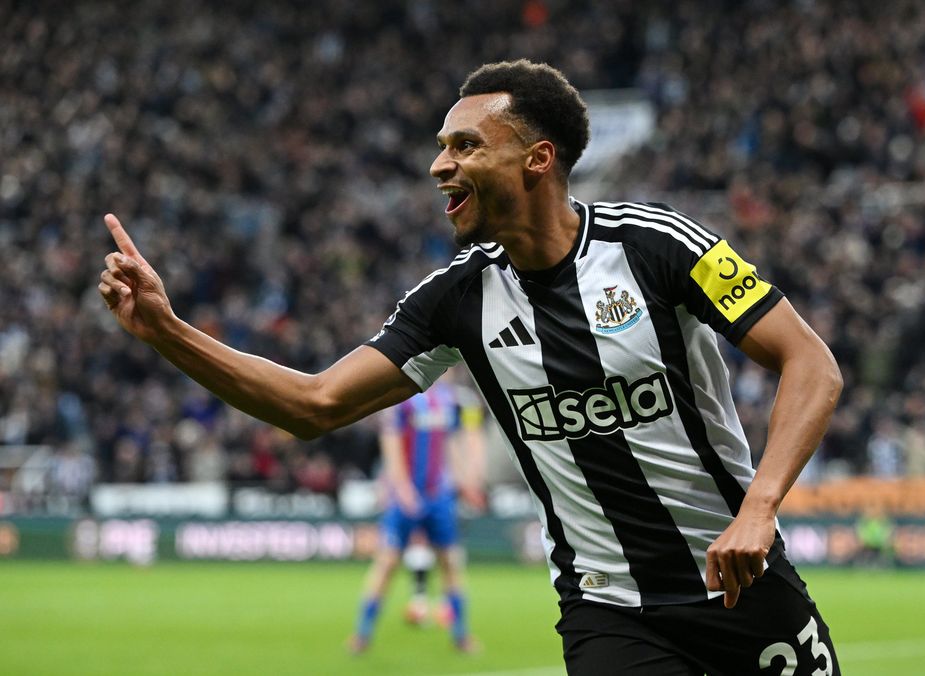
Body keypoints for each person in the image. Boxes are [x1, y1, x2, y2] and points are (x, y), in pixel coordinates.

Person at [99, 59, 843, 674]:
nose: (438, 165)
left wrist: (758, 508)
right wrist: (168, 332)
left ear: (536, 159)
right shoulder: (454, 299)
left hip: (742, 586)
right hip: (612, 613)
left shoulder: (656, 246)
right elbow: (315, 402)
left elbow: (810, 362)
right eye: (440, 146)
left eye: (463, 146)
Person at [350, 376, 485, 653]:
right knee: (387, 564)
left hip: (439, 496)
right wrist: (401, 487)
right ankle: (361, 635)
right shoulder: (403, 399)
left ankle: (461, 636)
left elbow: (451, 445)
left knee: (450, 563)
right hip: (406, 497)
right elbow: (391, 442)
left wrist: (466, 483)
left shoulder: (449, 400)